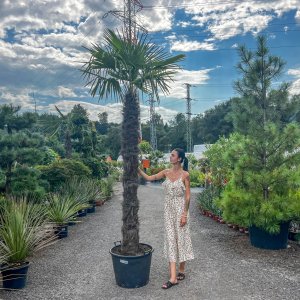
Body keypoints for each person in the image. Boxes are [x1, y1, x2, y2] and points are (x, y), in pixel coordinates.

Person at [138, 148, 194, 289]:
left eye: (173, 155)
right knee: (170, 240)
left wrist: (184, 214)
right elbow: (150, 178)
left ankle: (181, 270)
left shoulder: (185, 175)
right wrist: (138, 170)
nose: (170, 157)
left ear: (180, 159)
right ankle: (173, 278)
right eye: (170, 154)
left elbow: (188, 195)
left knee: (181, 239)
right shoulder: (165, 172)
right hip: (168, 212)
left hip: (181, 210)